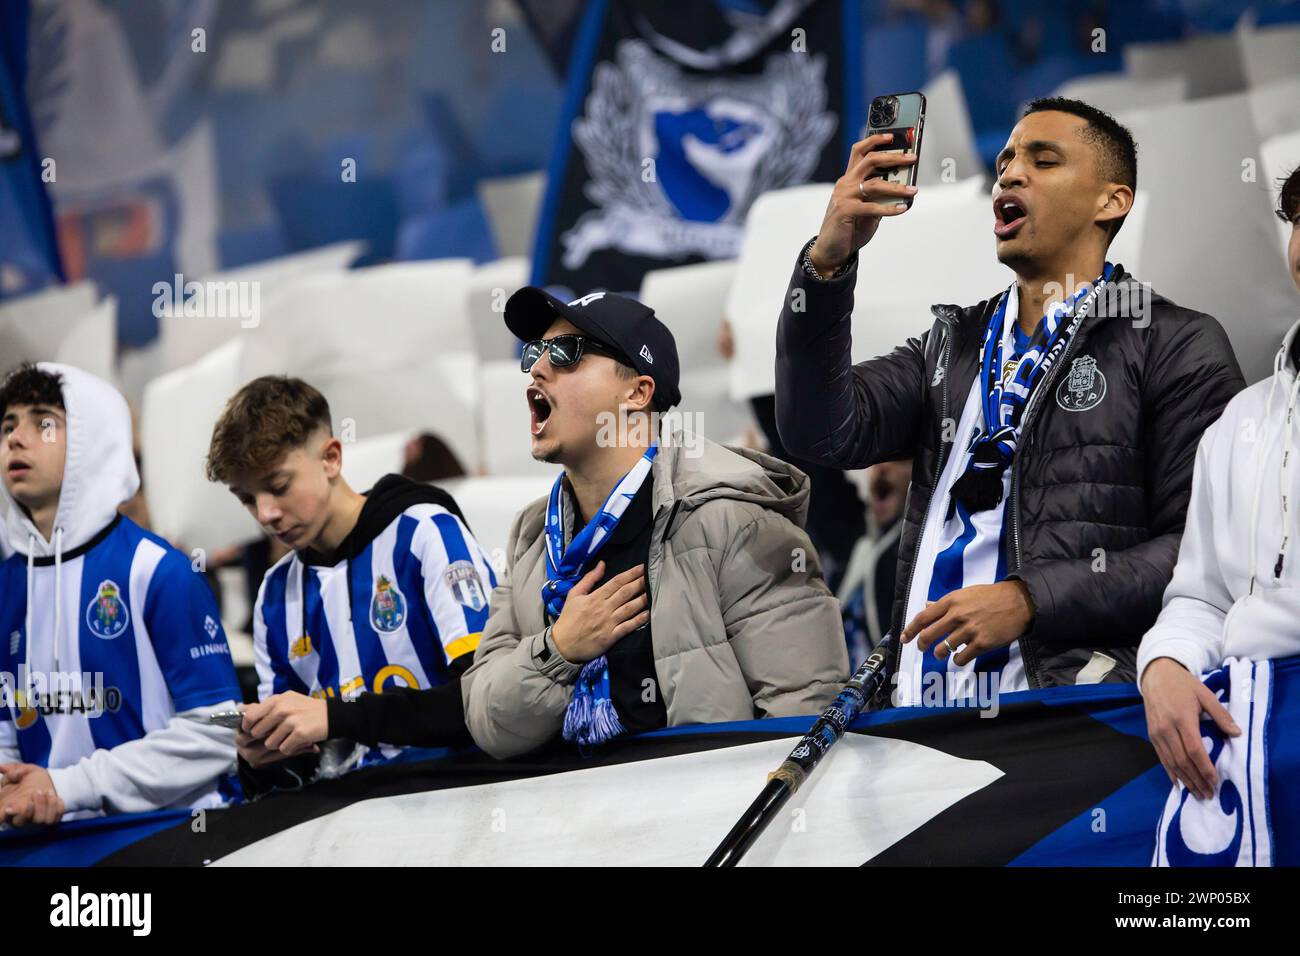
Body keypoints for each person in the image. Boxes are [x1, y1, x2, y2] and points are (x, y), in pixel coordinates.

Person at [776, 97, 1244, 705]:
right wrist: (828, 262)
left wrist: (1031, 599)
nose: (1011, 173)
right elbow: (819, 431)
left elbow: (1204, 549)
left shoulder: (1175, 343)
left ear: (1112, 200)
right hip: (920, 713)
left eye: (1043, 161)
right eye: (1005, 162)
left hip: (1069, 716)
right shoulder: (952, 346)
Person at [462, 288, 848, 758]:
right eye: (534, 353)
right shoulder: (531, 538)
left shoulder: (732, 519)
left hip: (708, 826)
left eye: (566, 353)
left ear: (638, 392)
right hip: (567, 825)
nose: (538, 368)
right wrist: (558, 650)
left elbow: (804, 716)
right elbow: (487, 723)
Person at [205, 376, 494, 794]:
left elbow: (487, 699)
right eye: (246, 498)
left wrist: (335, 716)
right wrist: (261, 761)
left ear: (331, 459)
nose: (265, 513)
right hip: (342, 823)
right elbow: (299, 771)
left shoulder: (425, 533)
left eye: (278, 486)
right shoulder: (274, 593)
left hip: (457, 796)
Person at [0, 363, 240, 825]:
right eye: (8, 425)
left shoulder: (158, 571)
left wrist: (70, 786)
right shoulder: (8, 585)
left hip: (165, 836)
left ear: (94, 439)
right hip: (43, 843)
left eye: (44, 422)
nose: (16, 437)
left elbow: (220, 730)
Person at [1138, 164, 1300, 800]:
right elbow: (1202, 597)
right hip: (1247, 743)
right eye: (1298, 221)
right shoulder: (1242, 420)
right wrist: (1167, 663)